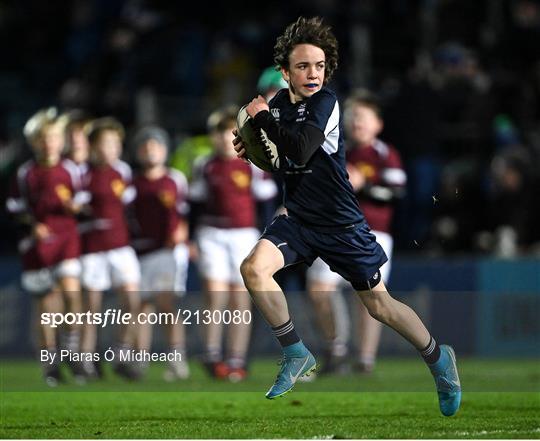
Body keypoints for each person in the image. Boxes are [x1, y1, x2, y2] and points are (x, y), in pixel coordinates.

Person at [234, 16, 461, 416]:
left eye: (319, 66)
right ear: (284, 71)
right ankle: (295, 352)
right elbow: (275, 157)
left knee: (379, 305)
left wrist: (263, 121)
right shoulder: (278, 106)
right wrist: (250, 143)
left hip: (341, 224)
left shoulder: (326, 103)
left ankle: (439, 360)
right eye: (303, 66)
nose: (313, 74)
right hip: (301, 220)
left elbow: (301, 149)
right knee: (253, 268)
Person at [306, 90, 407, 374]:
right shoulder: (337, 150)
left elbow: (397, 193)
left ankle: (365, 359)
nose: (356, 122)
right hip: (334, 231)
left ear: (378, 124)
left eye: (362, 117)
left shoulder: (385, 154)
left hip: (372, 233)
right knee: (319, 289)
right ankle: (335, 349)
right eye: (351, 117)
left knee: (370, 299)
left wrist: (366, 184)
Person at [190, 105, 277, 381]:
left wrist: (266, 237)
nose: (224, 139)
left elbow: (266, 203)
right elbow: (195, 205)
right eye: (219, 133)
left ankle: (236, 358)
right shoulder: (204, 165)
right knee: (215, 295)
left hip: (243, 235)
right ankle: (212, 353)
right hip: (212, 234)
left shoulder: (252, 163)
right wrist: (192, 238)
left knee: (240, 297)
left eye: (231, 133)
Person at [6, 107, 84, 385]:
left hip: (66, 237)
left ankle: (72, 351)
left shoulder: (71, 169)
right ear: (34, 141)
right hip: (38, 244)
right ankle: (50, 363)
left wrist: (77, 207)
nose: (49, 142)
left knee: (72, 292)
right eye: (43, 138)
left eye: (53, 137)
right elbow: (14, 208)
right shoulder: (26, 173)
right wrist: (32, 225)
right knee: (48, 304)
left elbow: (84, 200)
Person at [79, 117, 141, 379]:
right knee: (90, 308)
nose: (111, 148)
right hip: (93, 248)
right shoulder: (83, 173)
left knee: (133, 300)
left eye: (116, 143)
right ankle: (85, 361)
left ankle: (121, 354)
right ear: (93, 146)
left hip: (120, 246)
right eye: (106, 143)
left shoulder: (123, 171)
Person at [131, 126, 191, 380]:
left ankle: (177, 360)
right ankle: (140, 360)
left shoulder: (174, 179)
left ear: (165, 151)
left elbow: (186, 213)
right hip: (138, 251)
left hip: (166, 251)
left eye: (155, 146)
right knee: (141, 306)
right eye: (145, 147)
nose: (150, 151)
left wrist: (183, 233)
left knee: (166, 304)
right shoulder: (131, 182)